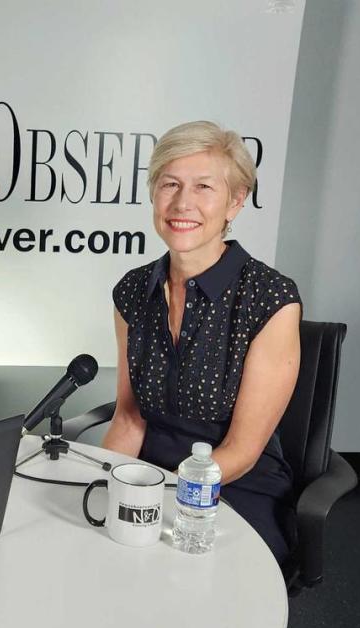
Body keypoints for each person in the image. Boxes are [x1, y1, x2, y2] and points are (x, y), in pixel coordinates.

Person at [102, 121, 300, 562]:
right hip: (146, 477)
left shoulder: (269, 299)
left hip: (234, 485)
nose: (182, 202)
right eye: (169, 183)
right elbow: (129, 419)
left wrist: (163, 495)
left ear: (235, 202)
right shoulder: (132, 292)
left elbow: (242, 452)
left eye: (204, 187)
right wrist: (106, 483)